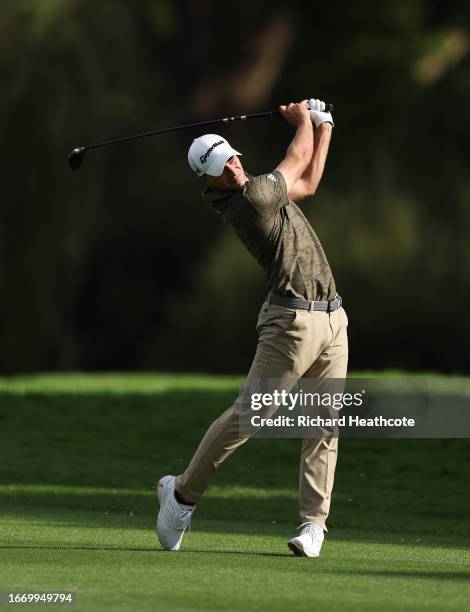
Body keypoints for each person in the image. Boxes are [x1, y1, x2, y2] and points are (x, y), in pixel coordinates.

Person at [156, 99, 348, 557]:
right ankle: (181, 496)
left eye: (233, 159)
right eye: (221, 169)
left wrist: (324, 127)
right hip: (291, 324)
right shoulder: (250, 200)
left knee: (324, 424)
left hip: (332, 319)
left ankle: (313, 526)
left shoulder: (262, 188)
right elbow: (296, 160)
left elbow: (310, 182)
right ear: (207, 180)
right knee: (252, 415)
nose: (233, 170)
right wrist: (302, 119)